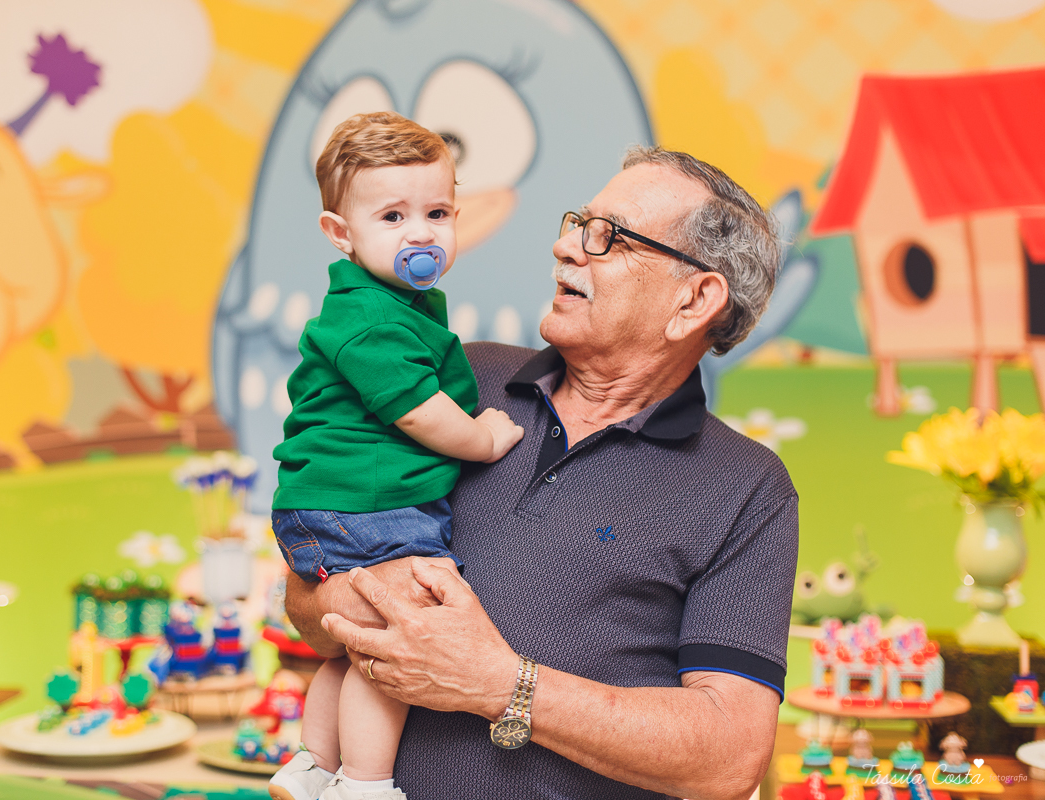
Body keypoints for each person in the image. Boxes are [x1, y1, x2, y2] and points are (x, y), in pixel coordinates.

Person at [284, 145, 800, 800]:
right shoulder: (450, 384)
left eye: (609, 237)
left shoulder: (747, 489)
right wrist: (360, 602)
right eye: (577, 222)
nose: (566, 248)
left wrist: (499, 683)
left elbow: (727, 757)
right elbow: (304, 598)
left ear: (694, 300)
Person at [267, 112, 524, 800]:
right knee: (398, 644)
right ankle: (365, 782)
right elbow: (417, 410)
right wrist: (485, 437)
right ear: (339, 233)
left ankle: (313, 763)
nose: (421, 232)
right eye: (392, 216)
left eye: (437, 211)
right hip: (367, 505)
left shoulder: (390, 305)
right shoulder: (372, 318)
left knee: (359, 643)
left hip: (338, 504)